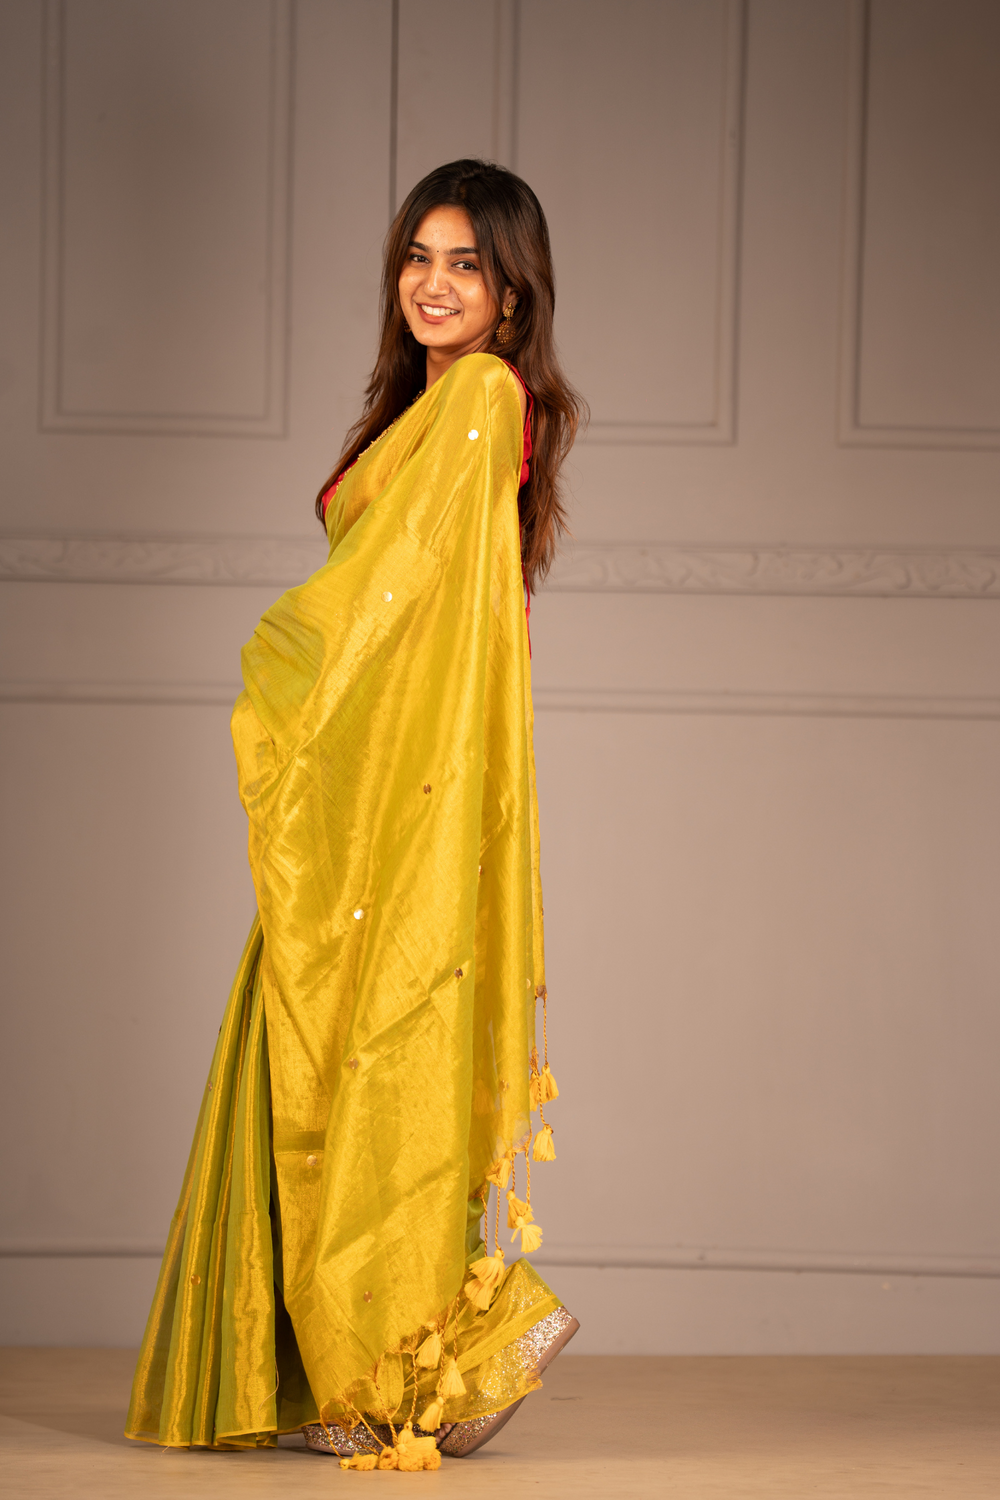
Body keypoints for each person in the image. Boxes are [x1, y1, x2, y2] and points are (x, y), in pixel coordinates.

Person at [125, 158, 585, 1468]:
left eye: (467, 265)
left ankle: (397, 1372)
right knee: (327, 1043)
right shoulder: (429, 405)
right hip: (373, 777)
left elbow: (389, 606)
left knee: (384, 1049)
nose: (435, 284)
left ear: (512, 293)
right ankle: (377, 1363)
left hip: (407, 780)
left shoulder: (484, 398)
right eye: (418, 258)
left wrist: (287, 667)